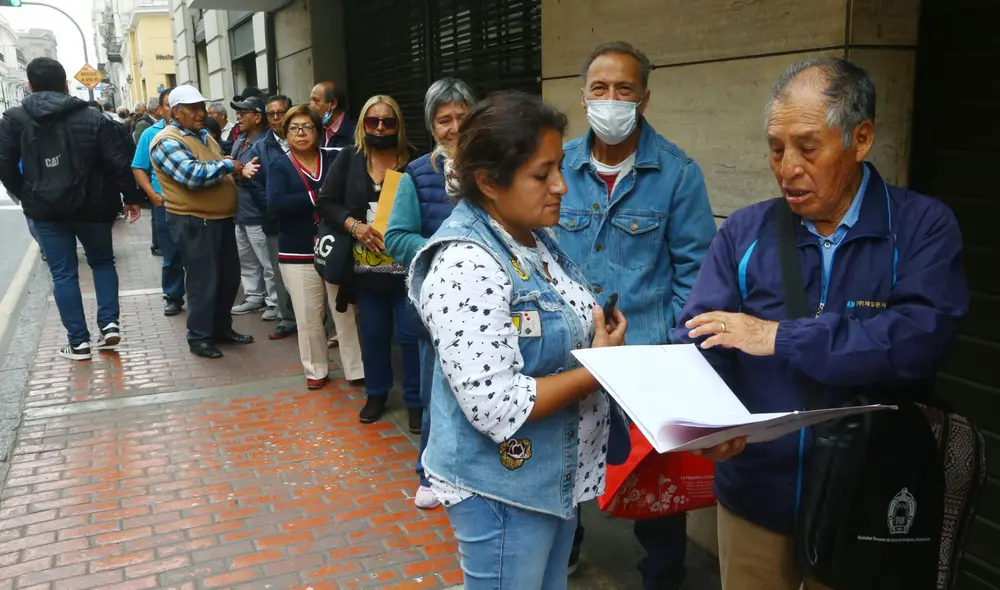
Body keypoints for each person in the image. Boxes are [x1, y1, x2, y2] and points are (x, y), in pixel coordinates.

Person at [676, 56, 968, 590]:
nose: (787, 166)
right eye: (775, 147)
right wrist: (703, 422)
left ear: (861, 138)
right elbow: (699, 337)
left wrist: (780, 336)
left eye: (807, 147)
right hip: (757, 497)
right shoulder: (745, 233)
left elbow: (917, 342)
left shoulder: (922, 227)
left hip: (872, 500)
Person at [410, 90, 628, 589]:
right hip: (502, 491)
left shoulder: (528, 236)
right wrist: (598, 367)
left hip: (548, 476)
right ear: (488, 181)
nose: (561, 187)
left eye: (559, 168)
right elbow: (496, 405)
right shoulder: (467, 263)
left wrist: (597, 332)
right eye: (541, 174)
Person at [553, 41, 717, 588]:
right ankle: (567, 549)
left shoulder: (677, 174)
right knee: (568, 462)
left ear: (644, 98)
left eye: (624, 89)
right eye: (600, 88)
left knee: (657, 480)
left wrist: (667, 346)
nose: (612, 99)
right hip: (572, 352)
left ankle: (664, 574)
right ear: (583, 97)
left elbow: (696, 273)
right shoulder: (558, 168)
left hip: (648, 356)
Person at [0, 57, 143, 360]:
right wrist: (130, 197)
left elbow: (5, 166)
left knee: (63, 274)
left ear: (29, 85)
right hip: (94, 205)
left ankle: (78, 342)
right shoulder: (93, 118)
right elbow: (117, 162)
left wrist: (25, 194)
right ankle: (110, 324)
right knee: (103, 263)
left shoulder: (14, 119)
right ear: (66, 84)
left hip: (46, 209)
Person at [384, 77, 475, 510]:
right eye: (444, 120)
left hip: (488, 306)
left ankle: (472, 471)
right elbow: (396, 237)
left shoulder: (493, 167)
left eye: (462, 117)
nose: (454, 127)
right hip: (435, 306)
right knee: (436, 391)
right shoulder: (414, 175)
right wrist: (445, 254)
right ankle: (429, 471)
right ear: (431, 125)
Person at [317, 95, 418, 424]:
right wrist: (354, 225)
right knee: (373, 334)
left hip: (407, 270)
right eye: (372, 121)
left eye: (388, 121)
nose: (380, 127)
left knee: (409, 334)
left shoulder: (414, 160)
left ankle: (415, 401)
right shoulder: (350, 158)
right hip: (365, 269)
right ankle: (376, 395)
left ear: (398, 125)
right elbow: (327, 202)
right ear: (362, 124)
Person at [249, 104, 365, 389]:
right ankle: (316, 369)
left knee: (345, 313)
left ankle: (357, 369)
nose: (301, 133)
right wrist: (319, 196)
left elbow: (350, 191)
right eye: (294, 128)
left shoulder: (335, 158)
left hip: (336, 249)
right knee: (308, 315)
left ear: (319, 130)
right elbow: (276, 204)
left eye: (308, 127)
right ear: (286, 133)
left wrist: (316, 198)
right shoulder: (279, 164)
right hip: (297, 252)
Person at [150, 85, 256, 359]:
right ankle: (199, 337)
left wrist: (234, 169)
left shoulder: (203, 135)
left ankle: (221, 329)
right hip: (194, 221)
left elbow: (215, 164)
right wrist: (230, 166)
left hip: (218, 219)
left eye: (201, 107)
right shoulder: (167, 141)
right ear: (176, 112)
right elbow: (192, 175)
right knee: (203, 282)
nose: (202, 113)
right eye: (194, 109)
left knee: (228, 279)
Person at [245, 94, 298, 341]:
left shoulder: (303, 138)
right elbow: (255, 184)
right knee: (279, 272)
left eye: (281, 112)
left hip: (308, 218)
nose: (277, 118)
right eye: (271, 114)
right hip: (275, 220)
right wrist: (276, 207)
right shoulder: (260, 147)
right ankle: (286, 318)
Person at [133, 87, 185, 317]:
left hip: (194, 203)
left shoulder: (196, 132)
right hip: (165, 204)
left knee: (198, 253)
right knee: (171, 254)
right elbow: (138, 167)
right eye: (168, 105)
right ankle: (173, 296)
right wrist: (152, 195)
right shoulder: (150, 134)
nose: (172, 110)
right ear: (161, 108)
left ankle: (200, 294)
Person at [229, 95, 281, 321]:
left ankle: (274, 302)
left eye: (244, 113)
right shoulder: (239, 140)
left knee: (267, 262)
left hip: (257, 214)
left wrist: (236, 171)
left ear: (258, 117)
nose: (238, 117)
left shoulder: (264, 143)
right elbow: (235, 170)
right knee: (247, 260)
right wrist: (236, 169)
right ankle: (253, 296)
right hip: (239, 212)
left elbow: (256, 175)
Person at [309, 81, 357, 149]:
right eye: (310, 101)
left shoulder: (355, 133)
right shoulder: (316, 130)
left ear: (333, 104)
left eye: (316, 100)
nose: (311, 106)